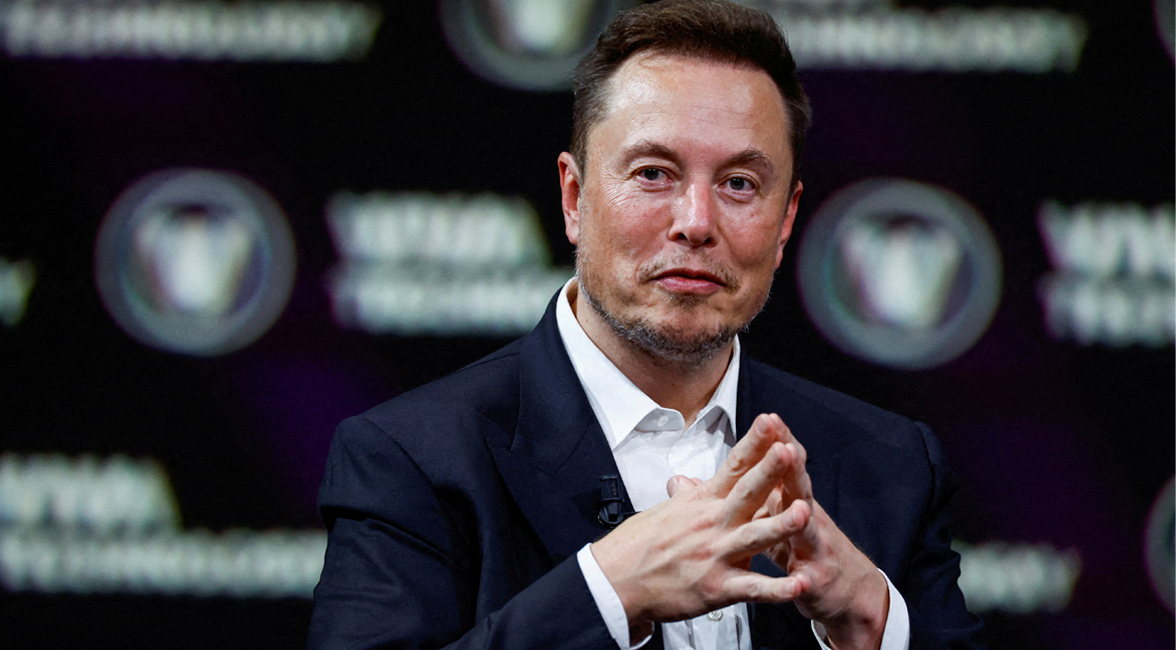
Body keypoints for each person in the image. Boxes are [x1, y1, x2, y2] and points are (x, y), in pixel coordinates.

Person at [308, 1, 985, 648]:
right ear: (575, 198)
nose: (696, 222)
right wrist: (607, 593)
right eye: (654, 173)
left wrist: (869, 616)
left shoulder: (892, 464)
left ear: (785, 224)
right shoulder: (411, 460)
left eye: (740, 184)